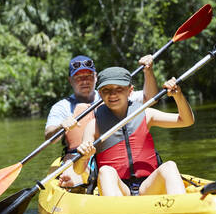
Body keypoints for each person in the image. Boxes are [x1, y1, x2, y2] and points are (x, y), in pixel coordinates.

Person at [74, 67, 195, 196]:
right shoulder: (94, 126)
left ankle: (178, 211)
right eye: (106, 90)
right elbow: (78, 170)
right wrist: (84, 157)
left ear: (130, 90)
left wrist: (178, 95)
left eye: (118, 89)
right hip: (118, 188)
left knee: (170, 166)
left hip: (148, 186)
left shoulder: (146, 114)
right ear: (100, 93)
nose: (112, 94)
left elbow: (186, 121)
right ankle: (117, 213)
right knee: (106, 171)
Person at [45, 55, 158, 187]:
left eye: (88, 76)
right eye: (79, 77)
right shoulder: (61, 107)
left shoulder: (112, 95)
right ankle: (77, 181)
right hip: (79, 156)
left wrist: (148, 72)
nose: (84, 81)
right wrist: (61, 127)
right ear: (70, 80)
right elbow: (49, 136)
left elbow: (150, 99)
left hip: (111, 155)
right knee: (72, 174)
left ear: (96, 77)